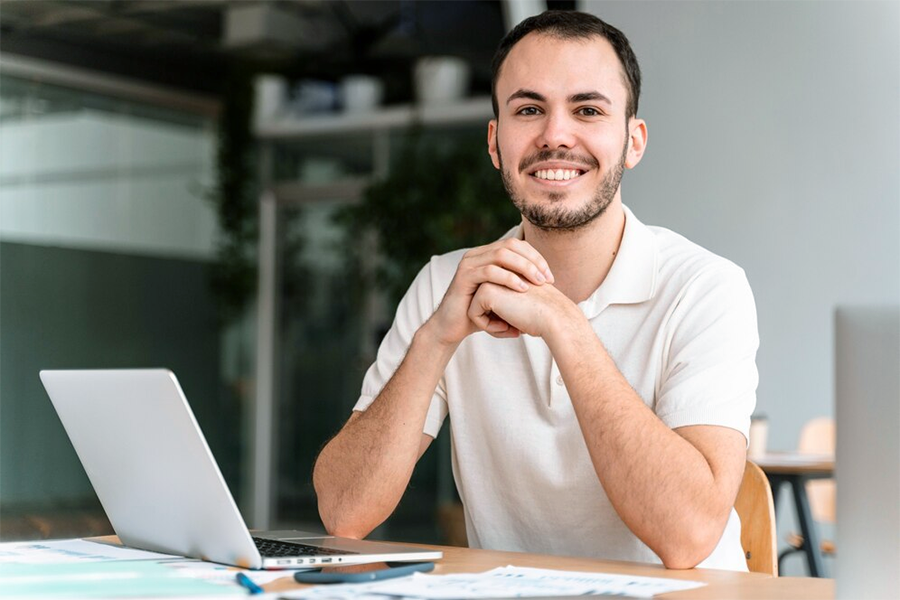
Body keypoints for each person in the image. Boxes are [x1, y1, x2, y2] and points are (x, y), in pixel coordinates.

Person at [313, 10, 758, 571]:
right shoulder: (446, 284)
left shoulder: (706, 289)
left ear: (633, 141)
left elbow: (688, 537)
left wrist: (564, 325)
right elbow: (343, 511)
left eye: (588, 110)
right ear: (496, 143)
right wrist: (435, 341)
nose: (555, 136)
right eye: (529, 110)